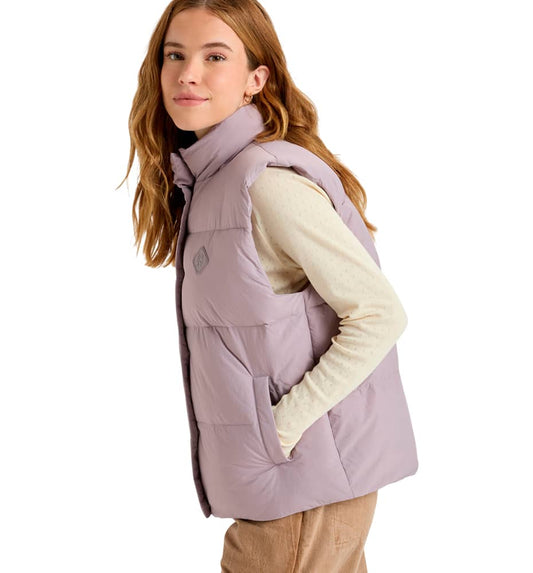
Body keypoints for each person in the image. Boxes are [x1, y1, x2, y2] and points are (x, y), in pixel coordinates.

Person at [122, 1, 418, 571]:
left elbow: (379, 313)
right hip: (286, 484)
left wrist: (278, 429)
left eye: (215, 57)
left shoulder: (265, 184)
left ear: (255, 80)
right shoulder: (213, 181)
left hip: (301, 488)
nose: (188, 74)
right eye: (175, 56)